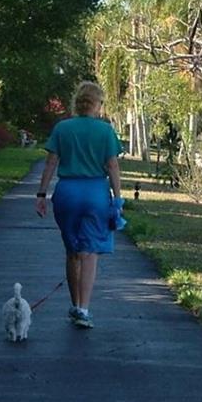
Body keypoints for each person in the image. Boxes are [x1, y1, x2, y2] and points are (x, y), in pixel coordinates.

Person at [35, 82, 123, 329]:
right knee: (90, 251)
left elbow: (51, 162)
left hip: (67, 192)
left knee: (72, 251)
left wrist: (41, 194)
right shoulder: (105, 131)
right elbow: (113, 166)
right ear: (98, 105)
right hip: (95, 192)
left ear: (77, 103)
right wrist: (117, 198)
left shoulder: (63, 128)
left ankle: (75, 305)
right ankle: (84, 309)